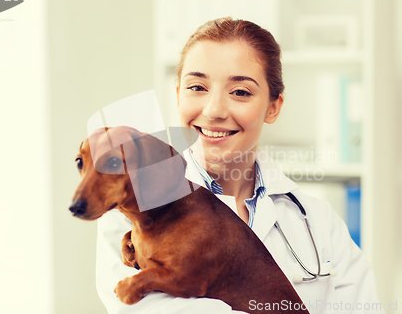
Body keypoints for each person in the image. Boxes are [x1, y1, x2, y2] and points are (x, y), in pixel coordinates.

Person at [96, 17, 385, 314]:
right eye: (197, 87)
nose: (214, 110)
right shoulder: (131, 211)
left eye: (240, 92)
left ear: (273, 107)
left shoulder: (318, 221)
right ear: (178, 94)